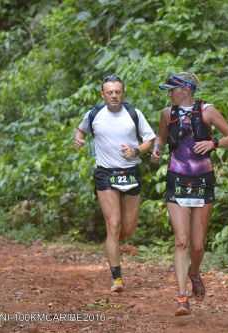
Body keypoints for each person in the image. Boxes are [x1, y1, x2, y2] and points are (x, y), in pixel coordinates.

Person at [151, 72, 228, 316]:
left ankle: (194, 272)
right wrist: (157, 150)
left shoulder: (207, 111)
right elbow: (161, 137)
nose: (169, 94)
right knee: (182, 241)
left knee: (197, 246)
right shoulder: (167, 114)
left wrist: (214, 144)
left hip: (202, 179)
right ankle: (181, 297)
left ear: (186, 90)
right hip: (176, 177)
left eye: (172, 89)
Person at [74, 75, 156, 292]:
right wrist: (79, 139)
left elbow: (150, 140)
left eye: (117, 92)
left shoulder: (133, 114)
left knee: (127, 229)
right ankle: (117, 277)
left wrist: (136, 150)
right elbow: (80, 130)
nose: (114, 95)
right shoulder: (94, 114)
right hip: (105, 174)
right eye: (109, 92)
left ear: (123, 93)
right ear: (103, 94)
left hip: (131, 173)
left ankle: (114, 244)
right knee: (114, 224)